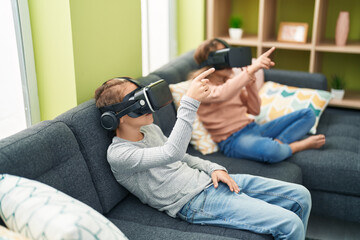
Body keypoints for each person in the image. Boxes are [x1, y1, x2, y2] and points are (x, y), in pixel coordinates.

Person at [94, 69, 311, 240]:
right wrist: (190, 102)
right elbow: (172, 152)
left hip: (209, 181)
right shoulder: (119, 154)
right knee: (290, 224)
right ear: (115, 118)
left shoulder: (149, 130)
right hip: (194, 202)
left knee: (301, 196)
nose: (147, 105)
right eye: (136, 100)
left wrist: (213, 167)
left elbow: (181, 157)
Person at [191, 38, 326, 163]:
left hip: (253, 128)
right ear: (209, 62)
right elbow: (221, 94)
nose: (229, 62)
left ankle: (280, 143)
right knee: (270, 150)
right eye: (223, 56)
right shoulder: (201, 86)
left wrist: (251, 84)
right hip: (233, 140)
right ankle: (295, 146)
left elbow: (255, 110)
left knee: (308, 114)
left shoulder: (232, 83)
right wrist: (249, 71)